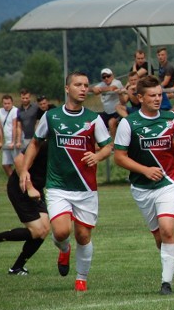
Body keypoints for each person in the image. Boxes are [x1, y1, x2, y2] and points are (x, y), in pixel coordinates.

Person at [20, 71, 113, 291]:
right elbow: (35, 143)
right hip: (58, 186)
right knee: (61, 232)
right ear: (67, 88)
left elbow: (108, 146)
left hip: (86, 188)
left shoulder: (93, 118)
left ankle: (81, 279)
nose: (83, 89)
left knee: (83, 235)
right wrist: (25, 170)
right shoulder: (51, 117)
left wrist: (98, 155)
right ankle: (64, 250)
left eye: (86, 85)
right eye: (78, 84)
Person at [113, 75, 174, 295]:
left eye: (160, 95)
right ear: (140, 97)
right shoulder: (128, 123)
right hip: (141, 188)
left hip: (168, 183)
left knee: (168, 230)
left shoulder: (171, 118)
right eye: (152, 95)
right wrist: (145, 170)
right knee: (160, 240)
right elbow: (119, 157)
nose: (157, 99)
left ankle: (165, 284)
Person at [0, 142, 52, 275]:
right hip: (21, 188)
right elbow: (18, 160)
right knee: (37, 231)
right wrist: (29, 187)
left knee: (44, 229)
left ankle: (16, 268)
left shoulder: (65, 146)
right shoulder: (44, 143)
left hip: (37, 189)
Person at [92, 67, 125, 135]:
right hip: (107, 112)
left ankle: (113, 143)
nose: (106, 78)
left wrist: (99, 90)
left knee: (111, 122)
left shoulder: (117, 82)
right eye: (104, 77)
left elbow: (112, 88)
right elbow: (92, 89)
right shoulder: (102, 84)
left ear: (112, 76)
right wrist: (93, 89)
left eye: (108, 76)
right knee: (95, 121)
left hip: (118, 111)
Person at [0, 94, 19, 177]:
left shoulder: (15, 110)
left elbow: (14, 126)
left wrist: (13, 141)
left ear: (12, 103)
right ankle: (13, 181)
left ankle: (21, 182)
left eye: (8, 103)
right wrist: (0, 141)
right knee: (5, 164)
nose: (7, 105)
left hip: (14, 141)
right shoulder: (0, 111)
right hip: (6, 141)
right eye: (5, 103)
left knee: (18, 164)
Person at [152, 46, 174, 111]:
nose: (160, 57)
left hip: (168, 90)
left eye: (162, 55)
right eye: (159, 55)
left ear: (166, 55)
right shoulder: (161, 65)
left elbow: (165, 82)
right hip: (162, 88)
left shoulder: (168, 67)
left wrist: (156, 87)